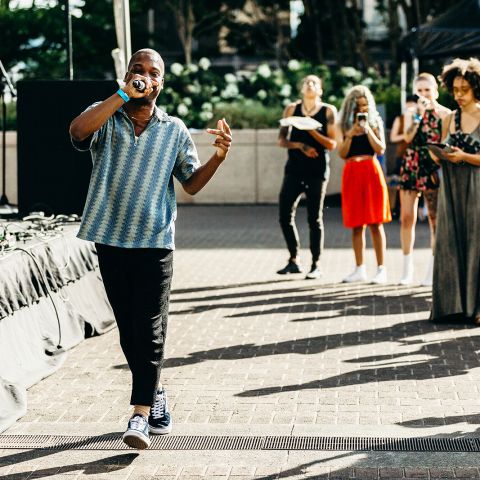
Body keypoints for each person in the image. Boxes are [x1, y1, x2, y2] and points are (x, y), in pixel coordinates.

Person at [69, 49, 232, 449]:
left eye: (152, 73)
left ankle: (140, 415)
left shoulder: (174, 130)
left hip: (156, 241)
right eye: (136, 71)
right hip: (110, 237)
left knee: (151, 327)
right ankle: (155, 391)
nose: (144, 77)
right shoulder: (108, 115)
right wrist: (121, 96)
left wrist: (219, 157)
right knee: (129, 329)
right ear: (127, 77)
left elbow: (191, 184)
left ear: (162, 83)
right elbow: (77, 131)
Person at [431, 57, 480, 324]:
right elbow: (444, 150)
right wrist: (440, 155)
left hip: (477, 187)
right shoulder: (449, 118)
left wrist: (465, 157)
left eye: (465, 89)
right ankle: (456, 305)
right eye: (456, 89)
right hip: (452, 188)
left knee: (477, 242)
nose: (459, 95)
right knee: (452, 242)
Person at [277, 75, 337, 279]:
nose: (310, 85)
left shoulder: (328, 111)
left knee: (315, 218)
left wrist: (310, 131)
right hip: (293, 168)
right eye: (306, 83)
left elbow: (332, 144)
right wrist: (301, 146)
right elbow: (281, 140)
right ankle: (294, 259)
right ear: (301, 88)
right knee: (284, 214)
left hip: (317, 171)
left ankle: (316, 264)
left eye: (314, 83)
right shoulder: (291, 109)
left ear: (320, 89)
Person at [398, 73, 450, 286]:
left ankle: (432, 269)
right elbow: (408, 137)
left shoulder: (445, 113)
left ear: (435, 91)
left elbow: (445, 140)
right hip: (412, 163)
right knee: (407, 217)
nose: (423, 94)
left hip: (432, 166)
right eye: (419, 90)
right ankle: (406, 267)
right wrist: (417, 115)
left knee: (434, 220)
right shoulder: (411, 112)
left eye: (427, 89)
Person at [336, 85, 390, 284]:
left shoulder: (375, 122)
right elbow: (342, 153)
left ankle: (381, 268)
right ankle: (359, 268)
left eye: (364, 106)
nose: (361, 110)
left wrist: (368, 131)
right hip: (352, 170)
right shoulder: (343, 125)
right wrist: (350, 133)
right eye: (357, 106)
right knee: (356, 224)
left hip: (371, 170)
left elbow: (381, 149)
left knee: (376, 222)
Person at [389, 94, 419, 218]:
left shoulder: (420, 118)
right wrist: (407, 135)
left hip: (418, 156)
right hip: (402, 155)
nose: (410, 106)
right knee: (399, 185)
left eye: (413, 103)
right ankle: (397, 210)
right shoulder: (400, 119)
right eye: (408, 103)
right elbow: (393, 137)